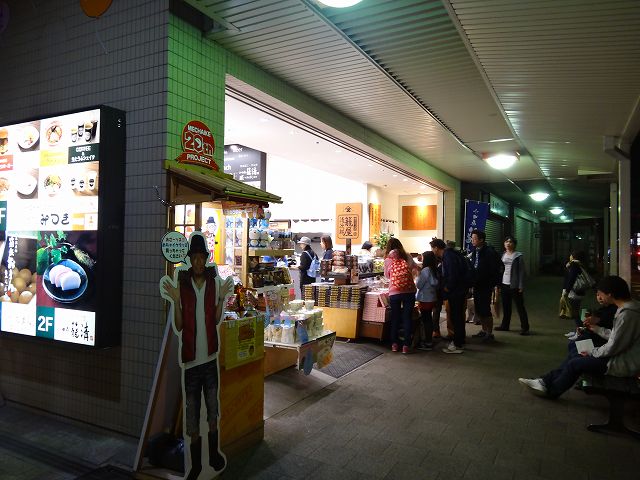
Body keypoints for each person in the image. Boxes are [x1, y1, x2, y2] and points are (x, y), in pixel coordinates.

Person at [160, 233, 234, 479]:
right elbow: (180, 326)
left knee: (212, 412)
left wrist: (222, 298)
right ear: (190, 260)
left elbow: (215, 318)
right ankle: (196, 466)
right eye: (195, 258)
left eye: (202, 257)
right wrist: (176, 302)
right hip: (191, 362)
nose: (199, 262)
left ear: (206, 258)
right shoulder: (182, 285)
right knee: (192, 417)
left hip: (210, 360)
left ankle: (212, 456)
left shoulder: (213, 283)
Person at [519, 275, 640, 399]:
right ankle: (545, 381)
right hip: (617, 355)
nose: (599, 296)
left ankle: (551, 390)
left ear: (610, 294)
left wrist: (592, 352)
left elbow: (614, 346)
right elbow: (618, 336)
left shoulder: (627, 315)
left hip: (621, 363)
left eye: (600, 293)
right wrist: (597, 329)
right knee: (577, 350)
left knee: (576, 363)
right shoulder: (629, 308)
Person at [430, 238, 468, 354]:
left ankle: (457, 344)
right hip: (460, 290)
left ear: (436, 248)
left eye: (432, 248)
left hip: (455, 291)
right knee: (458, 316)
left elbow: (452, 274)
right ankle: (459, 341)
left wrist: (447, 287)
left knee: (456, 317)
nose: (432, 251)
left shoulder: (448, 256)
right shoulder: (451, 254)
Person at [384, 237, 419, 354]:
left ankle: (394, 344)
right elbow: (414, 268)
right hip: (409, 291)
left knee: (395, 317)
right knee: (407, 317)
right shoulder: (407, 256)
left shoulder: (388, 260)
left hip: (394, 292)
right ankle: (406, 346)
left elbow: (387, 276)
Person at [469, 229, 503, 342]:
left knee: (485, 309)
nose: (472, 241)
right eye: (472, 238)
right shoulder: (475, 251)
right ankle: (483, 330)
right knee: (479, 309)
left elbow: (496, 269)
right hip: (477, 284)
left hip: (486, 285)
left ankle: (489, 333)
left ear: (481, 240)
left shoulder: (489, 252)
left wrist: (495, 284)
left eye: (474, 239)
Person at [495, 236, 530, 335]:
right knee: (506, 307)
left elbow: (521, 272)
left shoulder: (518, 256)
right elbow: (500, 269)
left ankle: (525, 328)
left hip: (514, 285)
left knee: (520, 307)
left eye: (510, 242)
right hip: (504, 284)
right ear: (504, 244)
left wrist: (521, 285)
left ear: (514, 244)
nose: (508, 243)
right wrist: (498, 284)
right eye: (506, 241)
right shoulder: (503, 255)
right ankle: (505, 325)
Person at [416, 251, 439, 350]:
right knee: (428, 318)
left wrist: (418, 275)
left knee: (426, 319)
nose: (421, 259)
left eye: (423, 257)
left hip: (425, 298)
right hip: (432, 297)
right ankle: (429, 340)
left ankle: (428, 342)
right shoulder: (433, 268)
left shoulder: (425, 270)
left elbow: (419, 285)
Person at [562, 250, 588, 328]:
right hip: (580, 291)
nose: (569, 256)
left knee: (574, 312)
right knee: (575, 311)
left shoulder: (574, 265)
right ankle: (579, 329)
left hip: (574, 292)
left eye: (571, 255)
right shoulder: (580, 265)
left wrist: (566, 290)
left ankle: (580, 329)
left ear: (573, 257)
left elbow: (571, 279)